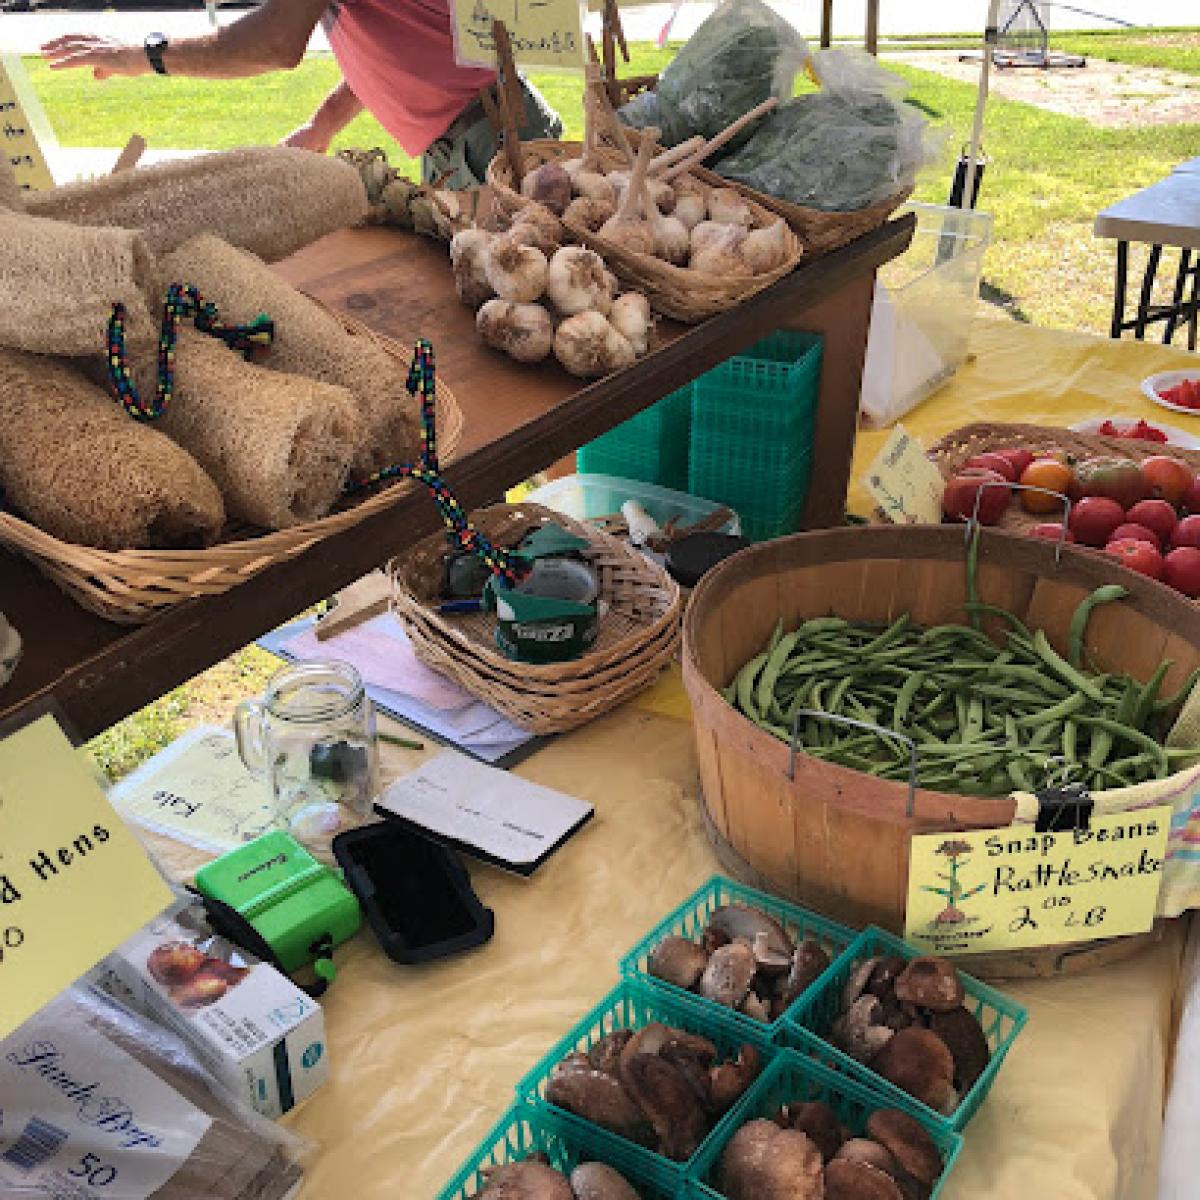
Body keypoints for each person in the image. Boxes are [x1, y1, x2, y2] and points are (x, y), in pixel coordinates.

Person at [41, 0, 562, 190]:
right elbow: (395, 47)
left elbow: (273, 42)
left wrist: (142, 55)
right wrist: (323, 127)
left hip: (490, 137)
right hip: (475, 135)